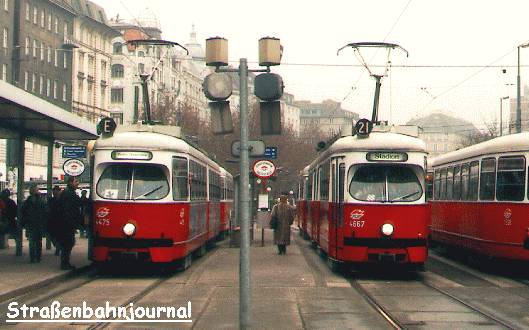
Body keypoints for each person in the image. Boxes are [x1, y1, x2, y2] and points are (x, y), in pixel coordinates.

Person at [57, 177, 82, 270]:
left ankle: (65, 262)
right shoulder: (69, 193)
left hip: (67, 223)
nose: (77, 183)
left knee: (68, 243)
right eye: (76, 182)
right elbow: (77, 203)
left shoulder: (69, 192)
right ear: (70, 183)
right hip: (67, 223)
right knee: (68, 243)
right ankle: (64, 263)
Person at [20, 185, 48, 263]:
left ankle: (35, 257)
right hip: (34, 224)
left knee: (34, 242)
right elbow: (45, 212)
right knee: (35, 242)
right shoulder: (40, 201)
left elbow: (23, 212)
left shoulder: (28, 202)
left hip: (34, 224)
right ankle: (35, 257)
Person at [47, 186, 62, 256]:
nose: (54, 193)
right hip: (53, 220)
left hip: (59, 220)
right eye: (54, 192)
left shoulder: (62, 200)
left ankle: (58, 247)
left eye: (55, 192)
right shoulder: (51, 200)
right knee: (53, 235)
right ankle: (58, 246)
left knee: (57, 235)